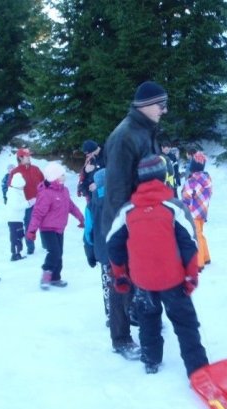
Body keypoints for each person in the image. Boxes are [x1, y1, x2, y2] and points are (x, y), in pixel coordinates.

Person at [107, 154, 209, 376]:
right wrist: (191, 276)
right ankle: (198, 369)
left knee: (148, 320)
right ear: (164, 177)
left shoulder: (127, 210)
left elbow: (112, 244)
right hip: (173, 279)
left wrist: (120, 274)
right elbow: (190, 245)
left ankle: (151, 361)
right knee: (185, 324)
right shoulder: (174, 207)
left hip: (142, 280)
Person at [100, 80, 168, 361]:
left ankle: (139, 316)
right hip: (123, 222)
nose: (164, 110)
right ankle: (121, 338)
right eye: (161, 105)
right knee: (121, 278)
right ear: (145, 106)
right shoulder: (125, 136)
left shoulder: (146, 131)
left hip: (144, 218)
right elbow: (116, 190)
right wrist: (125, 230)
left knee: (142, 273)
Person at [26, 163, 84, 290]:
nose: (64, 176)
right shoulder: (46, 194)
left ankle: (55, 278)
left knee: (59, 253)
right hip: (47, 229)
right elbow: (37, 213)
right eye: (62, 174)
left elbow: (71, 206)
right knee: (54, 252)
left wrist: (81, 218)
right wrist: (32, 230)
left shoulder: (64, 190)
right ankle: (46, 274)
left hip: (59, 228)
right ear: (55, 177)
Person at [83, 168, 111, 325]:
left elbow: (88, 232)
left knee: (108, 284)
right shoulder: (120, 200)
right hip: (122, 251)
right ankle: (129, 309)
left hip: (102, 252)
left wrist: (90, 253)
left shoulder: (91, 205)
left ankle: (110, 314)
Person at [9, 148, 44, 255]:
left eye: (29, 155)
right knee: (29, 225)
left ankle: (47, 244)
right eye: (27, 155)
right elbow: (11, 189)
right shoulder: (15, 172)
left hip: (41, 202)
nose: (29, 157)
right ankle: (30, 247)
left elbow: (44, 183)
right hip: (27, 204)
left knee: (45, 223)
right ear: (20, 158)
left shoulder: (36, 169)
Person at [182, 149, 212, 270]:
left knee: (196, 235)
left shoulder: (192, 181)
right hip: (203, 211)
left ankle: (199, 263)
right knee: (200, 233)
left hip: (193, 212)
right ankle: (206, 256)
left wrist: (184, 207)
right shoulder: (207, 179)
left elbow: (186, 197)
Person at [6, 172, 31, 261]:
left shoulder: (19, 191)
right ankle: (15, 254)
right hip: (14, 219)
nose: (23, 187)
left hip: (19, 219)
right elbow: (16, 206)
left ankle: (18, 252)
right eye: (22, 185)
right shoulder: (13, 193)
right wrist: (28, 203)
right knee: (15, 237)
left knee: (20, 236)